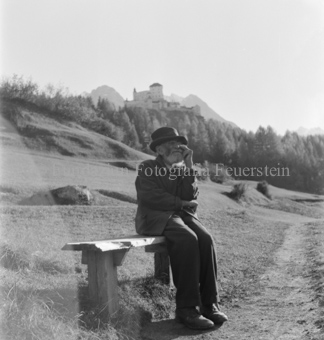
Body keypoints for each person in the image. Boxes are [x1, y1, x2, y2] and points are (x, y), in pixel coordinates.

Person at [135, 127, 228, 330]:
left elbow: (191, 195)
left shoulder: (180, 169)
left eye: (179, 143)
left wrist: (189, 165)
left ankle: (209, 304)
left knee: (205, 238)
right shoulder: (147, 167)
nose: (178, 146)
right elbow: (150, 197)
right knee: (187, 238)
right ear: (159, 149)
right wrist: (182, 203)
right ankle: (186, 309)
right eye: (171, 143)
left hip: (180, 216)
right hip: (155, 217)